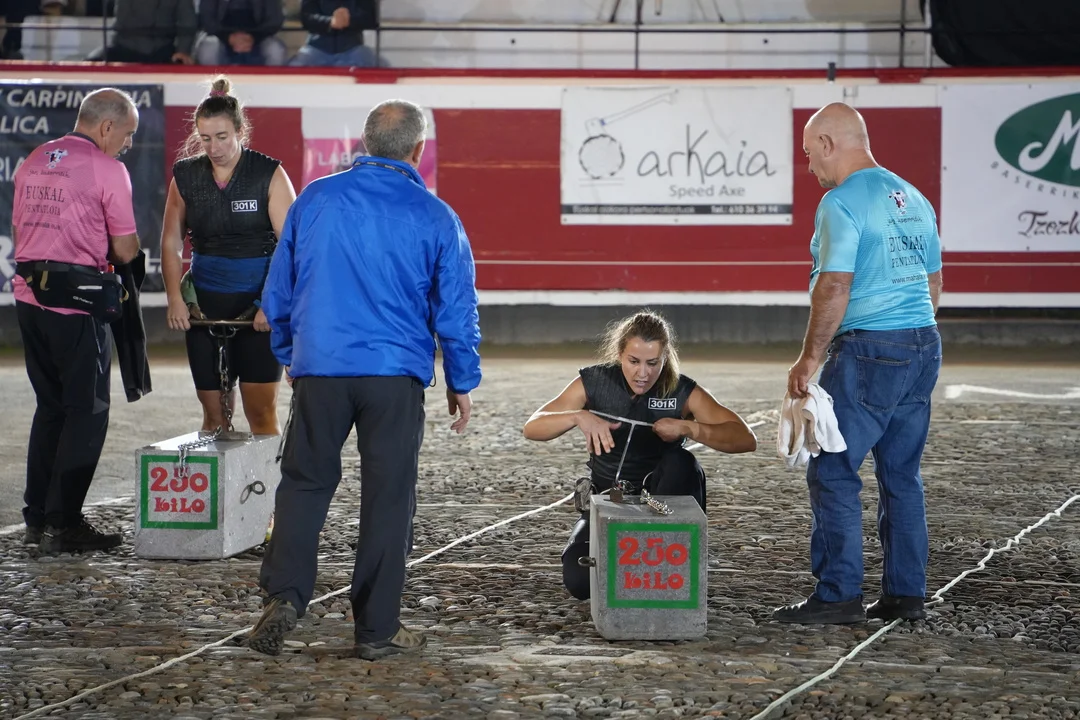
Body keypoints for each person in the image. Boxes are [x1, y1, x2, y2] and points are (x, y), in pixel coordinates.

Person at [247, 99, 482, 660]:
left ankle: (284, 595)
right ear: (417, 151)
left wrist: (292, 352)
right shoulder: (436, 216)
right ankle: (376, 629)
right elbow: (456, 310)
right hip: (393, 378)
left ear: (364, 142)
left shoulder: (315, 200)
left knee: (303, 485)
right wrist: (461, 380)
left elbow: (279, 289)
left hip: (321, 369)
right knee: (388, 498)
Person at [773, 102, 943, 625]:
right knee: (901, 474)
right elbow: (933, 281)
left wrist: (809, 359)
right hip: (923, 343)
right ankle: (906, 594)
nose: (809, 166)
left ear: (828, 143)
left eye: (809, 153)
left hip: (870, 349)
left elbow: (834, 284)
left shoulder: (841, 202)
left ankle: (839, 595)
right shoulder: (913, 197)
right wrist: (910, 333)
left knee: (833, 468)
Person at [523, 310, 758, 600]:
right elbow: (532, 427)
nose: (643, 373)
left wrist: (690, 427)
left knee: (682, 462)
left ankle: (672, 551)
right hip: (608, 502)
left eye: (652, 363)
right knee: (580, 583)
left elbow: (745, 439)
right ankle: (628, 561)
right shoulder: (594, 381)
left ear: (665, 358)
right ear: (619, 354)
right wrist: (578, 416)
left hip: (660, 506)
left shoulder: (682, 390)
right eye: (633, 361)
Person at [12, 88, 141, 553]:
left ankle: (36, 517)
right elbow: (124, 249)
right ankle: (63, 524)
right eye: (127, 134)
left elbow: (19, 230)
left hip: (29, 299)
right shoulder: (108, 169)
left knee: (50, 408)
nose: (127, 144)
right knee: (87, 412)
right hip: (77, 306)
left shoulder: (34, 159)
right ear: (107, 127)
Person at [161, 75, 296, 436]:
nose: (214, 147)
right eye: (205, 138)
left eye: (222, 137)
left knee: (261, 414)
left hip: (259, 309)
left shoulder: (269, 173)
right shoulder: (185, 176)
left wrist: (272, 302)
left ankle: (267, 477)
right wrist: (174, 298)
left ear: (240, 131)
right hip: (205, 309)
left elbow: (290, 245)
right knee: (214, 418)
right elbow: (171, 241)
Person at [87, 0, 197, 65]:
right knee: (91, 61)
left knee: (180, 62)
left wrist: (183, 50)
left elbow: (188, 21)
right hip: (124, 47)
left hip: (161, 50)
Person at [194, 0, 287, 66]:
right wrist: (229, 38)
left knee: (275, 50)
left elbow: (275, 20)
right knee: (208, 50)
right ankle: (216, 87)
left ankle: (268, 87)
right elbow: (207, 19)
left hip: (258, 38)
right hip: (221, 37)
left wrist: (253, 38)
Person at [291, 0, 380, 68]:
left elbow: (370, 18)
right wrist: (330, 22)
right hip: (317, 47)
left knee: (374, 64)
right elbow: (306, 17)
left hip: (353, 47)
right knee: (295, 67)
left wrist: (349, 21)